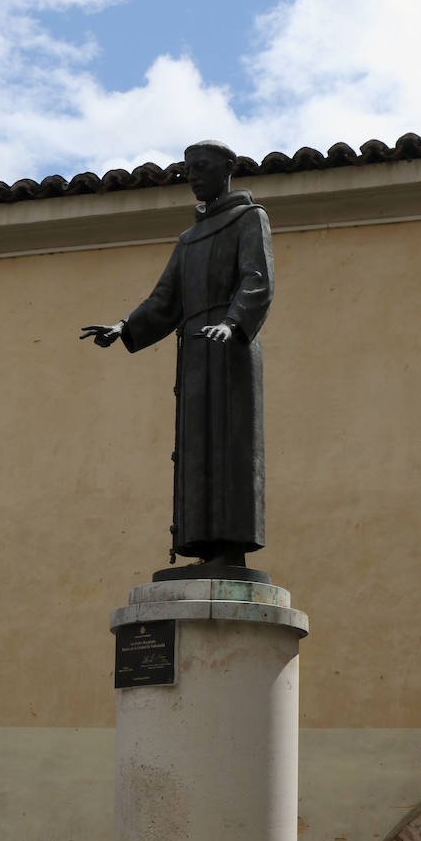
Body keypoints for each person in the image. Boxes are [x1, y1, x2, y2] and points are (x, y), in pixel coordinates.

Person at [81, 139, 274, 571]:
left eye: (202, 167)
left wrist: (233, 323)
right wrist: (124, 327)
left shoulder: (250, 218)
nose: (193, 176)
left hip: (232, 349)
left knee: (230, 446)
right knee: (195, 449)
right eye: (188, 169)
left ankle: (232, 546)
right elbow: (164, 300)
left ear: (227, 169)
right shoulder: (187, 240)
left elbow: (256, 280)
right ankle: (204, 545)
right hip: (194, 356)